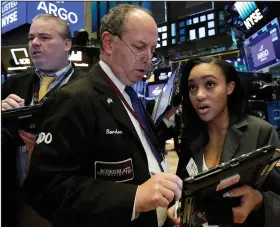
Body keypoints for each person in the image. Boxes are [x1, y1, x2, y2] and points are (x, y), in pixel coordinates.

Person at [23, 5, 182, 227]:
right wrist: (133, 198)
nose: (147, 58)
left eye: (152, 49)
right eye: (139, 46)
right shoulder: (73, 99)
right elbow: (45, 189)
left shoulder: (130, 95)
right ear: (108, 43)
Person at [167, 57, 280, 227]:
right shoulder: (190, 138)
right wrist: (175, 208)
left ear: (230, 87)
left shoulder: (260, 132)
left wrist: (259, 202)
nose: (199, 95)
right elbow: (183, 190)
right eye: (192, 87)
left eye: (210, 84)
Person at [1, 13, 86, 227]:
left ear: (67, 44)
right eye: (31, 38)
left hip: (66, 203)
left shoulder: (89, 89)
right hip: (15, 201)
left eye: (45, 37)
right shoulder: (13, 85)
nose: (35, 44)